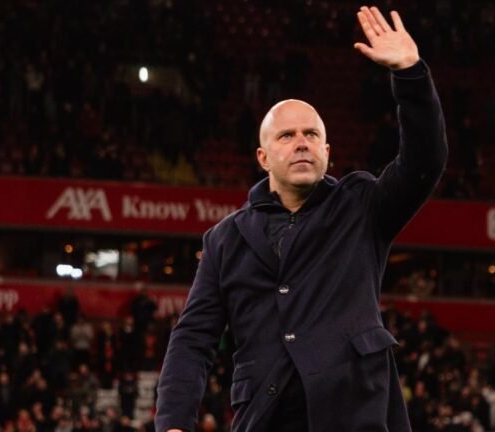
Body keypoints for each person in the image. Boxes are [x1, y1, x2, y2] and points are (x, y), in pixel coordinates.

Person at [155, 5, 448, 432]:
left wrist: (410, 74)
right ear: (263, 157)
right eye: (287, 136)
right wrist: (175, 422)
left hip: (356, 416)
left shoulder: (361, 205)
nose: (301, 143)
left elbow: (425, 161)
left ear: (327, 152)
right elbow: (193, 338)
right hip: (266, 418)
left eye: (312, 135)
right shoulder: (224, 239)